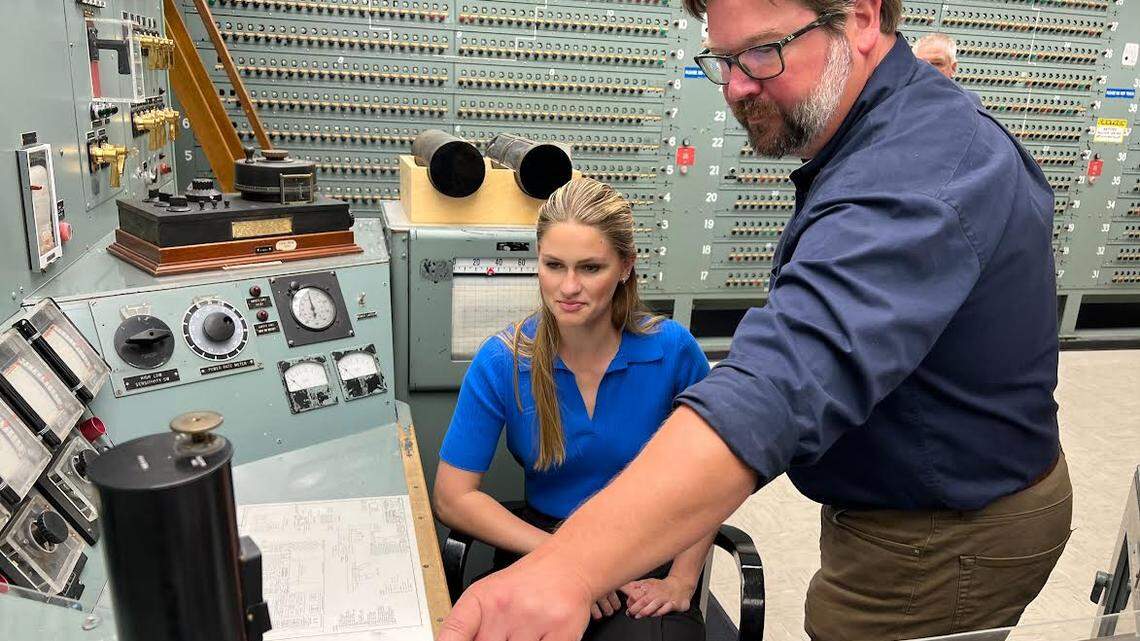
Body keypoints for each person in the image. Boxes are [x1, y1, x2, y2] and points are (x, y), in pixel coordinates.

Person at [437, 0, 1072, 640]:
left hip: (941, 536)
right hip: (908, 504)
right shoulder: (892, 132)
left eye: (764, 51)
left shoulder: (916, 170)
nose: (738, 86)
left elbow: (773, 387)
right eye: (724, 59)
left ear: (861, 18)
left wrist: (568, 569)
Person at [432, 177, 715, 641]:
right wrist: (567, 556)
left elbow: (709, 480)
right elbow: (452, 496)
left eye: (590, 268)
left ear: (625, 267)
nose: (568, 286)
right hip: (543, 543)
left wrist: (681, 580)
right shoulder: (503, 360)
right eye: (553, 265)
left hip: (642, 551)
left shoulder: (673, 351)